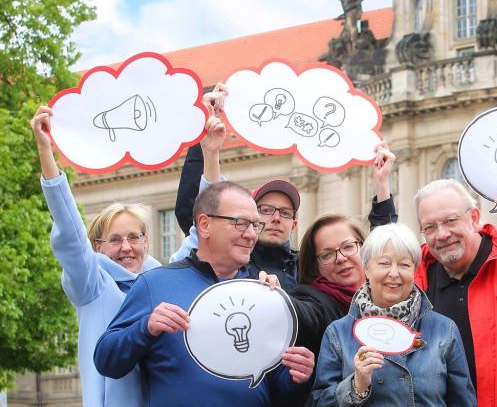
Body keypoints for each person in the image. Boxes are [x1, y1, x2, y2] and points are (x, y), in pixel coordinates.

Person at [94, 181, 315, 406]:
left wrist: (296, 377)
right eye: (241, 223)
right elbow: (106, 359)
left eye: (255, 225)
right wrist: (146, 327)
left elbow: (273, 387)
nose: (251, 235)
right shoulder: (156, 283)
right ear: (204, 224)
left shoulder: (264, 290)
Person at [30, 106, 162, 407]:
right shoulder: (92, 285)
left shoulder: (161, 281)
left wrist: (210, 153)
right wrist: (45, 149)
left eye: (134, 237)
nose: (126, 247)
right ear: (97, 246)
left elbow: (203, 234)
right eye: (115, 240)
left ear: (146, 241)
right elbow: (69, 231)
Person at [309, 224, 477, 406]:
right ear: (366, 268)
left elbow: (464, 402)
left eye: (404, 265)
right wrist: (356, 385)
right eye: (384, 263)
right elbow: (318, 402)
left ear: (414, 270)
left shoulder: (443, 329)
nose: (394, 273)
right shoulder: (338, 333)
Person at [174, 84, 301, 290]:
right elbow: (203, 209)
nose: (276, 218)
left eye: (285, 213)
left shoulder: (306, 268)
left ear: (294, 223)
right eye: (266, 211)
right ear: (251, 218)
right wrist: (206, 149)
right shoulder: (232, 265)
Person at [413, 179, 497, 407]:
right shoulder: (415, 278)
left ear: (474, 218)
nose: (442, 234)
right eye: (430, 227)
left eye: (450, 221)